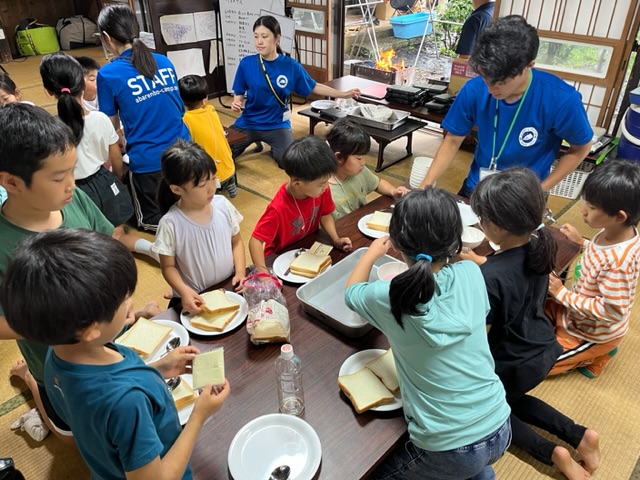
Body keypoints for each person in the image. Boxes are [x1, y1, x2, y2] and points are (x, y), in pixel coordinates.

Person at [0, 228, 230, 479]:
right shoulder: (127, 403)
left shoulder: (57, 355)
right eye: (124, 299)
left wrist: (157, 369)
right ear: (90, 330)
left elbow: (100, 402)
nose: (130, 302)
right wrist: (199, 416)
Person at [0, 103, 156, 443]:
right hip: (53, 360)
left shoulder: (75, 200)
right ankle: (31, 382)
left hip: (102, 336)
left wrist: (120, 301)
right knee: (72, 433)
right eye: (59, 178)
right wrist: (66, 321)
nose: (72, 184)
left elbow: (109, 245)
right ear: (11, 181)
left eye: (72, 171)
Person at [344, 188, 511, 480]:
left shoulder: (390, 294)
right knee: (472, 467)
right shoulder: (472, 273)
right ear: (456, 241)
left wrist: (370, 255)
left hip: (450, 448)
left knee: (370, 473)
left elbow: (351, 292)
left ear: (396, 242)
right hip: (501, 424)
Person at [462, 168, 600, 480]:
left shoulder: (488, 278)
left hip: (510, 362)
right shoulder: (541, 244)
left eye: (481, 219)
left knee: (486, 411)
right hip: (540, 349)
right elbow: (511, 275)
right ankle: (579, 434)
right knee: (512, 399)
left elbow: (477, 344)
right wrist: (482, 264)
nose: (480, 224)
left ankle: (552, 453)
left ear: (497, 226)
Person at [420, 15, 593, 198]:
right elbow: (453, 139)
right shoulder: (475, 89)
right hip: (477, 188)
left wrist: (541, 189)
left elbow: (581, 148)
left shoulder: (561, 99)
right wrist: (426, 184)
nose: (491, 89)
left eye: (501, 82)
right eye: (486, 78)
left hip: (523, 197)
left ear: (529, 65)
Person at [39, 52, 158, 263]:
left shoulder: (48, 128)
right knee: (116, 234)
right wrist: (117, 179)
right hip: (104, 183)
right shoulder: (101, 119)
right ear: (82, 84)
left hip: (73, 191)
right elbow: (116, 158)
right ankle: (152, 249)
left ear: (48, 90)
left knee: (86, 243)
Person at [97, 4, 190, 231]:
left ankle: (179, 233)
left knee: (143, 220)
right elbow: (178, 109)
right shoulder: (164, 61)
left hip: (149, 162)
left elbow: (110, 128)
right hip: (187, 151)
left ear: (107, 37)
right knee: (184, 203)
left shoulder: (108, 74)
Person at [547, 159, 640, 378]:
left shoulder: (620, 264)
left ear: (619, 216)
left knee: (540, 366)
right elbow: (600, 254)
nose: (583, 211)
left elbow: (611, 311)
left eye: (592, 207)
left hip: (591, 332)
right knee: (533, 308)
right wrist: (583, 243)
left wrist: (561, 293)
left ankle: (597, 354)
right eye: (585, 202)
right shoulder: (612, 232)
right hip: (575, 312)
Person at [230, 15, 360, 166]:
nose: (259, 41)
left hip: (277, 124)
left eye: (264, 37)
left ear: (277, 38)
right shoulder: (246, 63)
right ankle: (258, 140)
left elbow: (314, 86)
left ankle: (274, 146)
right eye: (256, 36)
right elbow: (239, 91)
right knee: (223, 153)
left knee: (289, 162)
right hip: (249, 122)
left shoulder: (291, 66)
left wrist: (344, 94)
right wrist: (236, 101)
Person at [154, 140, 246, 313]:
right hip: (196, 297)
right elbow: (168, 267)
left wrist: (240, 272)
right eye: (202, 185)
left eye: (213, 178)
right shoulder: (171, 223)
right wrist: (183, 291)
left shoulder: (222, 205)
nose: (211, 188)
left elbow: (236, 242)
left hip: (228, 286)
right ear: (177, 189)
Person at [249, 135, 352, 271]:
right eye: (321, 184)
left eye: (327, 181)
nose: (326, 187)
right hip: (279, 257)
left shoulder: (321, 191)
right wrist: (262, 270)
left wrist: (335, 239)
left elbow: (325, 214)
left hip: (308, 247)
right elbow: (255, 241)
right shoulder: (278, 207)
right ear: (297, 184)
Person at [326, 118, 409, 219]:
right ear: (339, 157)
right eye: (359, 158)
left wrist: (393, 191)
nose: (363, 163)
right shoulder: (322, 186)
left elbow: (378, 183)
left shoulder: (360, 172)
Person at [178, 75, 238, 198]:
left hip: (210, 175)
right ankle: (231, 185)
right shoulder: (211, 110)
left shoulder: (185, 119)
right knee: (226, 172)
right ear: (203, 101)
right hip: (229, 165)